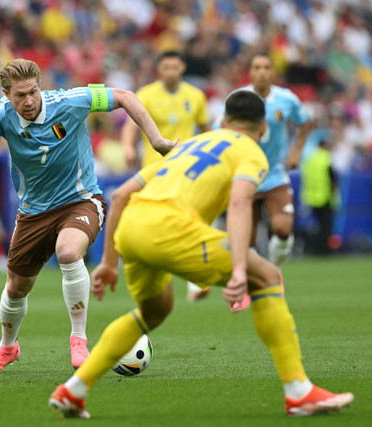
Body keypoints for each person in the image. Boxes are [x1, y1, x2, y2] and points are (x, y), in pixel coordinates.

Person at [48, 91, 353, 418]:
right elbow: (239, 204)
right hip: (171, 228)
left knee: (154, 310)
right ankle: (298, 391)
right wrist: (239, 269)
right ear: (264, 129)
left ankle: (73, 391)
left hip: (132, 229)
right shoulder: (252, 153)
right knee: (267, 275)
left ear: (222, 122)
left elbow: (121, 194)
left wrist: (109, 263)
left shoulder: (194, 143)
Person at [0, 58, 174, 374]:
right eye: (19, 96)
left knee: (68, 252)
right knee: (16, 287)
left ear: (40, 86)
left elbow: (125, 96)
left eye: (32, 92)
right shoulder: (0, 113)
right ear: (6, 94)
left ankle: (78, 340)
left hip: (81, 201)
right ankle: (7, 348)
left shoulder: (70, 100)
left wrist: (157, 140)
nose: (28, 101)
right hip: (33, 212)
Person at [121, 50, 211, 302]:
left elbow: (206, 131)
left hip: (187, 168)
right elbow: (130, 125)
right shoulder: (146, 95)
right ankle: (155, 274)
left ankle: (196, 282)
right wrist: (128, 146)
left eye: (175, 66)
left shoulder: (196, 96)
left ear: (182, 67)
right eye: (166, 67)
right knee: (155, 223)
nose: (170, 71)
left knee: (191, 220)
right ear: (159, 70)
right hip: (155, 169)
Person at [239, 54, 312, 266]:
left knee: (283, 229)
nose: (261, 72)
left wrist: (297, 151)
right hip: (246, 175)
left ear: (273, 72)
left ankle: (275, 267)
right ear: (250, 72)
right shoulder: (238, 99)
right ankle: (252, 280)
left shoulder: (286, 98)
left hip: (275, 173)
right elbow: (221, 128)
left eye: (266, 67)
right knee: (247, 239)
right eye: (256, 67)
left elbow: (305, 122)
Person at [300, 140, 339, 255]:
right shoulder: (325, 158)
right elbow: (332, 178)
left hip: (312, 198)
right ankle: (324, 249)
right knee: (326, 226)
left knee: (317, 225)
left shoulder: (310, 160)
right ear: (323, 146)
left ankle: (316, 248)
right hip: (324, 197)